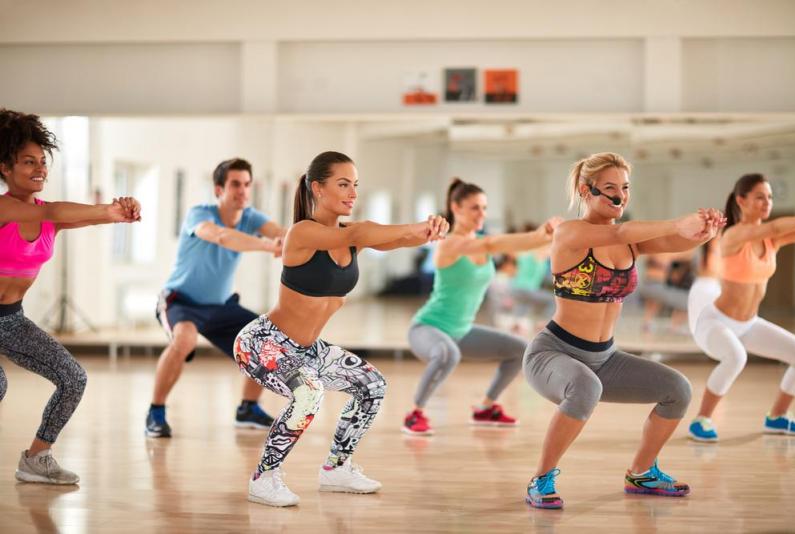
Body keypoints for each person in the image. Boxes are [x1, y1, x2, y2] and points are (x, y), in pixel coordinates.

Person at [233, 151, 448, 507]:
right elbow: (366, 230)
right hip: (263, 343)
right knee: (309, 393)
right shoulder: (302, 233)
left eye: (355, 186)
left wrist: (428, 232)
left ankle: (337, 468)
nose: (352, 193)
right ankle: (264, 477)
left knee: (372, 384)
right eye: (343, 184)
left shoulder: (350, 235)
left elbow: (392, 240)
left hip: (306, 349)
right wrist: (418, 226)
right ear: (317, 188)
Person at [522, 152, 725, 509]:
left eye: (626, 187)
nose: (621, 196)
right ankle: (540, 478)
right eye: (611, 188)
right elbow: (623, 229)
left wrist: (701, 234)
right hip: (553, 354)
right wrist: (678, 221)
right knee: (586, 387)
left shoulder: (628, 243)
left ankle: (642, 472)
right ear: (587, 191)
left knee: (677, 389)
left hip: (605, 358)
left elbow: (670, 243)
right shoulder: (571, 232)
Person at [0, 108, 141, 484]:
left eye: (43, 162)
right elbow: (62, 210)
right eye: (28, 162)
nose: (39, 169)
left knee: (72, 377)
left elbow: (82, 217)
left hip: (10, 319)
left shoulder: (48, 216)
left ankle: (37, 457)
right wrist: (107, 209)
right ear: (5, 168)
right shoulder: (2, 208)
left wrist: (115, 212)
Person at [404, 178, 561, 436]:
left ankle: (486, 407)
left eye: (485, 208)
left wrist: (548, 235)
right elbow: (493, 244)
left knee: (519, 350)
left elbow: (517, 247)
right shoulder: (450, 243)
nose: (482, 214)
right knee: (448, 353)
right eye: (475, 207)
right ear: (456, 208)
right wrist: (538, 233)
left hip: (461, 330)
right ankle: (415, 413)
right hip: (428, 327)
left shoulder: (482, 241)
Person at [147, 158, 285, 438]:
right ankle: (156, 413)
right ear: (218, 189)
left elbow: (287, 234)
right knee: (184, 339)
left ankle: (248, 408)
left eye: (247, 185)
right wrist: (267, 246)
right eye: (235, 184)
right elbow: (221, 236)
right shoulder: (200, 214)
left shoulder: (251, 217)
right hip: (180, 301)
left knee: (269, 339)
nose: (242, 191)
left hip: (221, 306)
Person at [687, 174, 795, 442]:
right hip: (716, 323)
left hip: (748, 324)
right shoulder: (734, 235)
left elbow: (789, 232)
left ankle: (778, 417)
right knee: (736, 357)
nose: (767, 202)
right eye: (760, 196)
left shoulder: (770, 241)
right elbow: (774, 228)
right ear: (741, 200)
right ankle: (701, 419)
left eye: (770, 197)